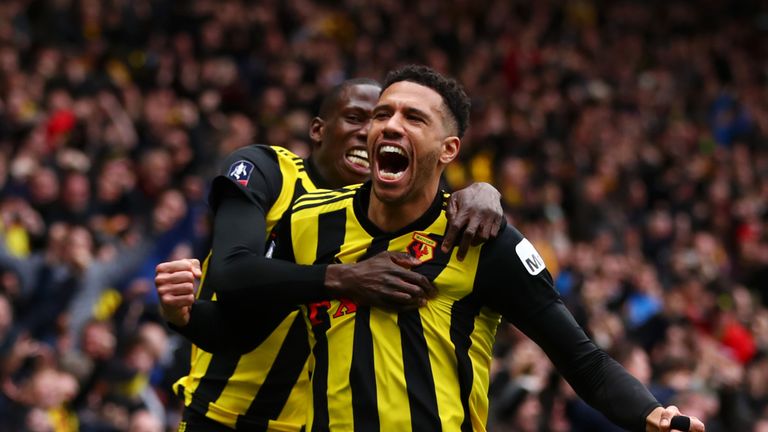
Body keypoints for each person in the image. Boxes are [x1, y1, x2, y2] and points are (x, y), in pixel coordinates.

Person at [186, 65, 706, 432]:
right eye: (383, 114)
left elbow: (583, 361)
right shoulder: (308, 223)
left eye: (414, 118)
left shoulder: (484, 239)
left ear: (448, 150)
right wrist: (180, 313)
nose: (390, 124)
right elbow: (242, 329)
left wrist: (651, 414)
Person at [156, 78, 504, 431]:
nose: (370, 132)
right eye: (355, 118)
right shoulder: (270, 171)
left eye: (378, 122)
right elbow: (232, 274)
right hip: (220, 416)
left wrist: (486, 191)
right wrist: (345, 278)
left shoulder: (395, 220)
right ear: (318, 130)